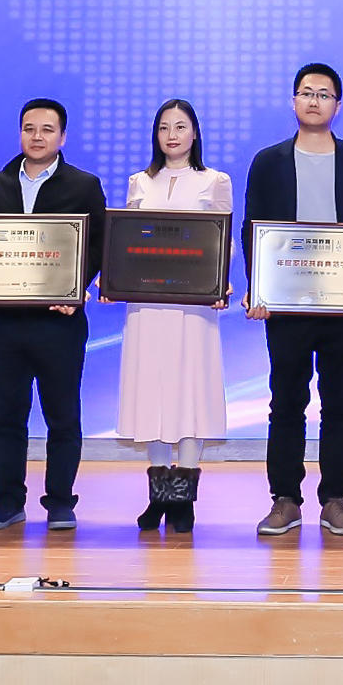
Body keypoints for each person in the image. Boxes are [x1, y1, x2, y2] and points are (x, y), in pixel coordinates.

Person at [243, 63, 343, 540]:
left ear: (337, 106)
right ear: (293, 101)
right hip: (286, 306)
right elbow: (253, 230)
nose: (314, 100)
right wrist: (258, 289)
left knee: (341, 405)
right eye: (306, 92)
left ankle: (336, 500)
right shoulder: (268, 161)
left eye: (324, 94)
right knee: (286, 403)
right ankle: (284, 499)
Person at [0, 98, 106, 532]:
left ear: (62, 137)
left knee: (62, 416)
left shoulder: (84, 184)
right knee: (5, 418)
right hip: (5, 322)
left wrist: (79, 287)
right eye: (29, 128)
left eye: (47, 130)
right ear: (20, 133)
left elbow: (99, 245)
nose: (37, 136)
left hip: (59, 321)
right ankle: (7, 502)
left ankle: (61, 501)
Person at [116, 99, 231, 535]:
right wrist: (114, 280)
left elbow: (223, 241)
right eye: (164, 127)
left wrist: (219, 285)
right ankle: (158, 498)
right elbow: (126, 241)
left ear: (195, 133)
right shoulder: (139, 181)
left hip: (193, 307)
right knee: (153, 395)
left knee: (189, 393)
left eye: (181, 127)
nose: (172, 135)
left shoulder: (214, 180)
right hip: (147, 305)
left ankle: (183, 501)